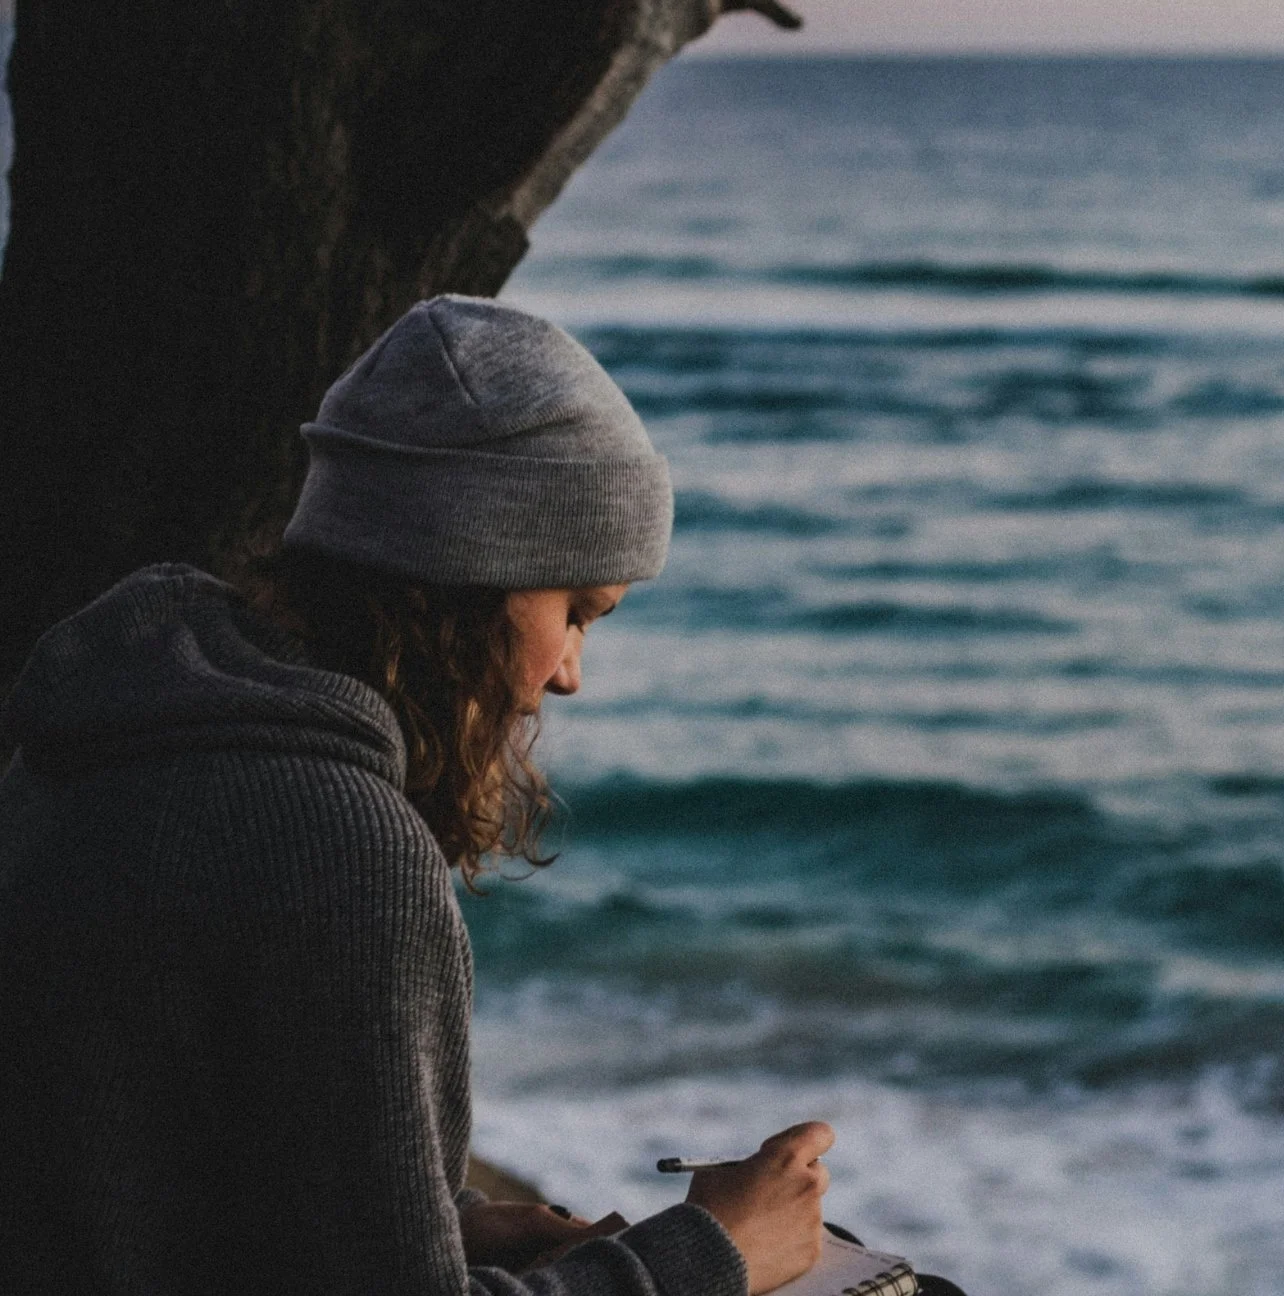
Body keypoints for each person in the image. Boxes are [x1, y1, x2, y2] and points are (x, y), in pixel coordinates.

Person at [0, 297, 833, 1295]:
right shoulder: (339, 844)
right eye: (576, 611)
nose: (568, 672)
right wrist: (708, 1256)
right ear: (475, 578)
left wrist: (443, 1225)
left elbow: (143, 1183)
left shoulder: (96, 744)